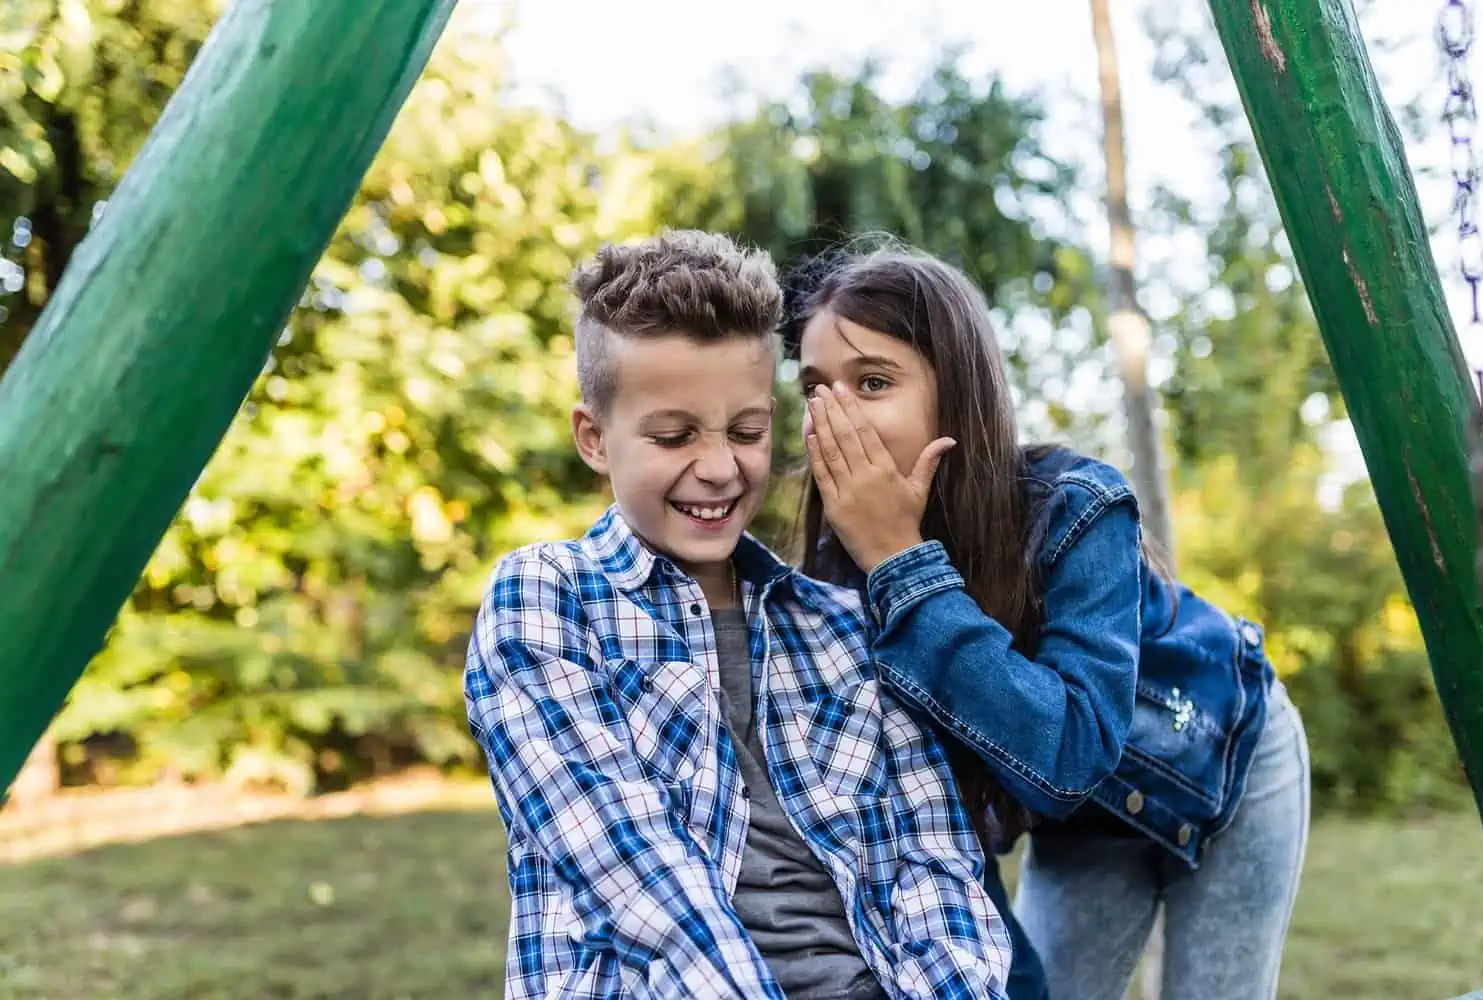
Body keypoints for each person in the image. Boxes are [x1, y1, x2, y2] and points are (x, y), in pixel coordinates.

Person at [463, 230, 1016, 1000]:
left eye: (748, 431)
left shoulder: (844, 627)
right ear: (594, 439)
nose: (720, 467)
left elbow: (931, 867)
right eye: (674, 435)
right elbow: (636, 879)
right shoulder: (544, 600)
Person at [787, 244, 1311, 1000]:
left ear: (956, 393)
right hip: (1088, 824)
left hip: (1226, 758)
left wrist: (901, 563)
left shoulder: (1076, 506)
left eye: (872, 382)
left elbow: (1069, 753)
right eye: (814, 389)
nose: (833, 416)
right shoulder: (837, 571)